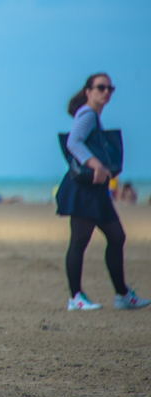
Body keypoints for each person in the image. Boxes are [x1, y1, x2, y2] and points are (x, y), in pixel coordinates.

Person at [56, 73, 149, 312]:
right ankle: (75, 297)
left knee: (117, 236)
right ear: (88, 91)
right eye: (101, 87)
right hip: (84, 189)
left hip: (96, 191)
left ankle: (122, 295)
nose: (106, 92)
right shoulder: (87, 114)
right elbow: (73, 142)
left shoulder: (94, 116)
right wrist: (96, 164)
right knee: (79, 241)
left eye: (110, 88)